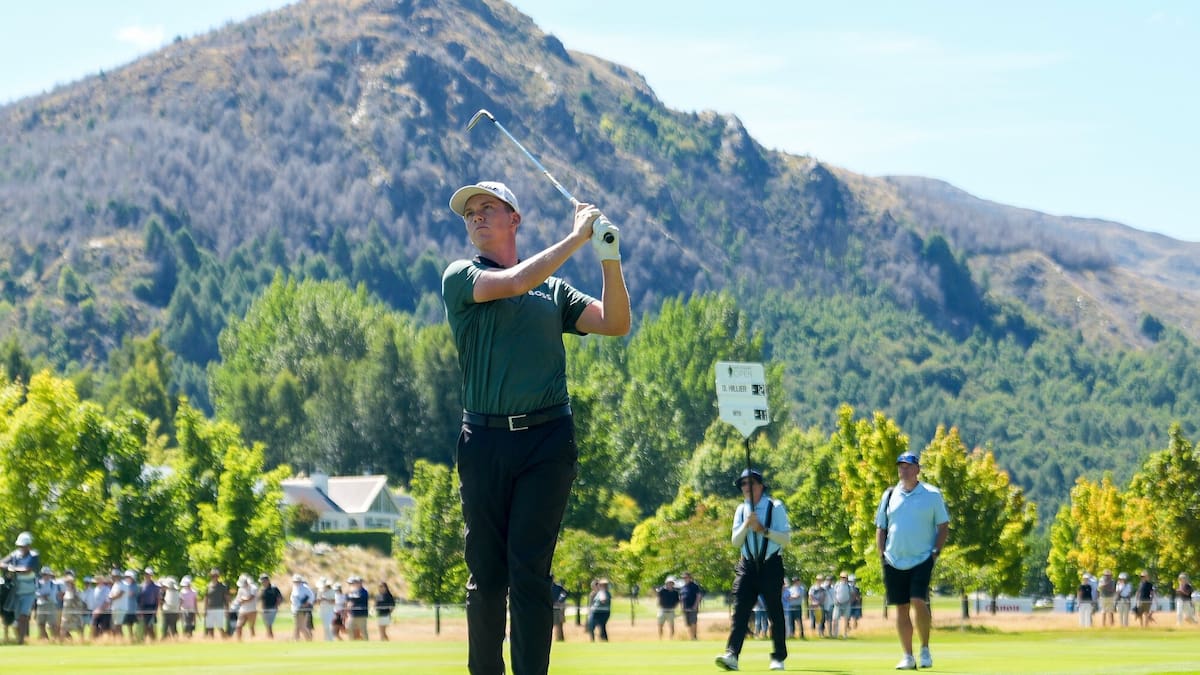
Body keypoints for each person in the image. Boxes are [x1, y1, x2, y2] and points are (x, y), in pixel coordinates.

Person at [443, 180, 630, 675]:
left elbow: (615, 321)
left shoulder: (554, 291)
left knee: (529, 575)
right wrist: (576, 238)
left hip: (547, 441)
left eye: (488, 208)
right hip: (483, 441)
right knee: (487, 577)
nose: (477, 217)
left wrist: (607, 254)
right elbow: (514, 283)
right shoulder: (461, 276)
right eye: (470, 213)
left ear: (514, 219)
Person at [875, 452, 950, 671]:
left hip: (922, 558)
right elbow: (881, 527)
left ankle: (925, 649)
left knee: (918, 600)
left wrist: (935, 552)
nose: (903, 470)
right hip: (894, 559)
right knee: (901, 608)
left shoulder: (932, 495)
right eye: (900, 466)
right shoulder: (889, 495)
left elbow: (943, 526)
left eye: (908, 466)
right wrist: (882, 554)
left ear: (917, 469)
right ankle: (907, 655)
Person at [715, 468, 791, 672]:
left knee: (775, 612)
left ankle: (778, 657)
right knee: (740, 612)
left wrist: (764, 530)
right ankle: (732, 654)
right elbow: (735, 541)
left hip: (770, 565)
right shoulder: (741, 510)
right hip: (747, 566)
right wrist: (747, 525)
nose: (745, 488)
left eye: (749, 484)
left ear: (759, 486)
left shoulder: (775, 506)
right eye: (742, 485)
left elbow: (785, 538)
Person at [1, 531, 40, 644]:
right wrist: (9, 567)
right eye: (20, 546)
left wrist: (13, 569)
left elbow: (27, 570)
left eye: (24, 546)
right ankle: (20, 639)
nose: (22, 548)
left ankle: (21, 641)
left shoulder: (34, 555)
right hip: (16, 591)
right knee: (17, 618)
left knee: (23, 615)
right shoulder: (15, 554)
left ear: (29, 545)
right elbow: (2, 563)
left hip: (29, 591)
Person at [35, 565, 63, 641]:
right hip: (41, 605)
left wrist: (45, 596)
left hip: (51, 604)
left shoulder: (54, 583)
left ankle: (55, 639)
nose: (45, 576)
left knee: (52, 624)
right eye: (44, 574)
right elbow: (36, 593)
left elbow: (53, 593)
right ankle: (45, 639)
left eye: (47, 574)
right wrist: (42, 596)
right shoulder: (38, 583)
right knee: (40, 623)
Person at [204, 568, 229, 638]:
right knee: (210, 627)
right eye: (213, 576)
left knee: (219, 626)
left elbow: (226, 599)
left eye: (216, 575)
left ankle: (226, 639)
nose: (214, 577)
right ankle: (212, 640)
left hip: (219, 609)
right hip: (209, 609)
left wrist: (227, 609)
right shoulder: (208, 586)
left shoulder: (222, 586)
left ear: (218, 576)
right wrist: (205, 610)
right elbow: (206, 599)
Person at [290, 574, 314, 641]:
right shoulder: (294, 588)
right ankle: (296, 640)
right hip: (296, 609)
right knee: (297, 626)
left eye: (297, 581)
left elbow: (311, 597)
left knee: (302, 626)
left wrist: (307, 603)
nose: (296, 582)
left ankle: (309, 639)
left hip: (303, 609)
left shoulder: (305, 588)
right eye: (295, 581)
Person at [680, 571, 703, 640]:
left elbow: (698, 596)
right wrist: (682, 607)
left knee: (693, 622)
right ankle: (691, 637)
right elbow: (681, 598)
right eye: (683, 578)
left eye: (686, 577)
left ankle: (694, 637)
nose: (684, 579)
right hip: (685, 608)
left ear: (690, 578)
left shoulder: (694, 586)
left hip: (693, 607)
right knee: (688, 624)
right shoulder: (683, 587)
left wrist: (695, 605)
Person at [258, 574, 283, 639]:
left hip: (272, 608)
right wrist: (261, 608)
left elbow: (279, 598)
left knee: (269, 623)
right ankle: (269, 636)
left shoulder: (274, 588)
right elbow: (261, 600)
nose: (262, 583)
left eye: (263, 581)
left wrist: (276, 606)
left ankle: (270, 636)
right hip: (265, 609)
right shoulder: (262, 589)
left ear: (267, 580)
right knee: (267, 624)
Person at [347, 576, 370, 640]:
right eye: (354, 582)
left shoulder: (364, 591)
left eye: (356, 582)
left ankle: (367, 644)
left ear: (360, 583)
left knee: (363, 631)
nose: (355, 584)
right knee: (349, 628)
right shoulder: (353, 591)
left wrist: (352, 600)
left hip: (361, 615)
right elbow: (348, 598)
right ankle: (352, 644)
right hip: (352, 614)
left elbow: (358, 598)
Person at [832, 571, 853, 638]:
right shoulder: (837, 585)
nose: (843, 579)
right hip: (838, 604)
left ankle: (845, 634)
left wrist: (849, 601)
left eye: (845, 577)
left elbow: (852, 595)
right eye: (842, 577)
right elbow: (834, 594)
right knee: (835, 619)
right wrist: (835, 601)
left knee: (846, 620)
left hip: (846, 604)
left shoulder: (849, 586)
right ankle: (835, 634)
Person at [550, 575, 568, 642]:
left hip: (557, 608)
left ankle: (559, 639)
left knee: (558, 624)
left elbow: (565, 593)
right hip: (548, 607)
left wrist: (560, 601)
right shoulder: (546, 586)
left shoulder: (558, 587)